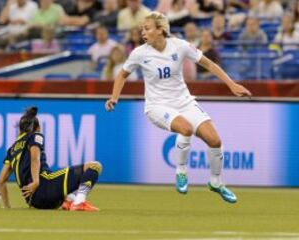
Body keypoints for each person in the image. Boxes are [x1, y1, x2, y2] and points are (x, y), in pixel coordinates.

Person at [105, 12, 252, 204]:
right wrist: (114, 98)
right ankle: (181, 171)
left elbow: (209, 64)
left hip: (184, 102)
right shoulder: (139, 53)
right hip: (157, 106)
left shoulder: (180, 46)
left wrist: (232, 85)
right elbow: (122, 75)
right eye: (142, 28)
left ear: (160, 30)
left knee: (215, 141)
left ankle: (216, 182)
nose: (143, 32)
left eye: (147, 28)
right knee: (186, 128)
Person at [0, 106, 102, 211]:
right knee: (95, 166)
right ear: (38, 128)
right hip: (45, 188)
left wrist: (6, 206)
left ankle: (69, 201)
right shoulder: (35, 136)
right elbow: (35, 158)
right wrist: (36, 182)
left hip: (34, 201)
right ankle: (79, 202)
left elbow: (1, 180)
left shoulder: (11, 150)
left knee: (63, 182)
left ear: (20, 129)